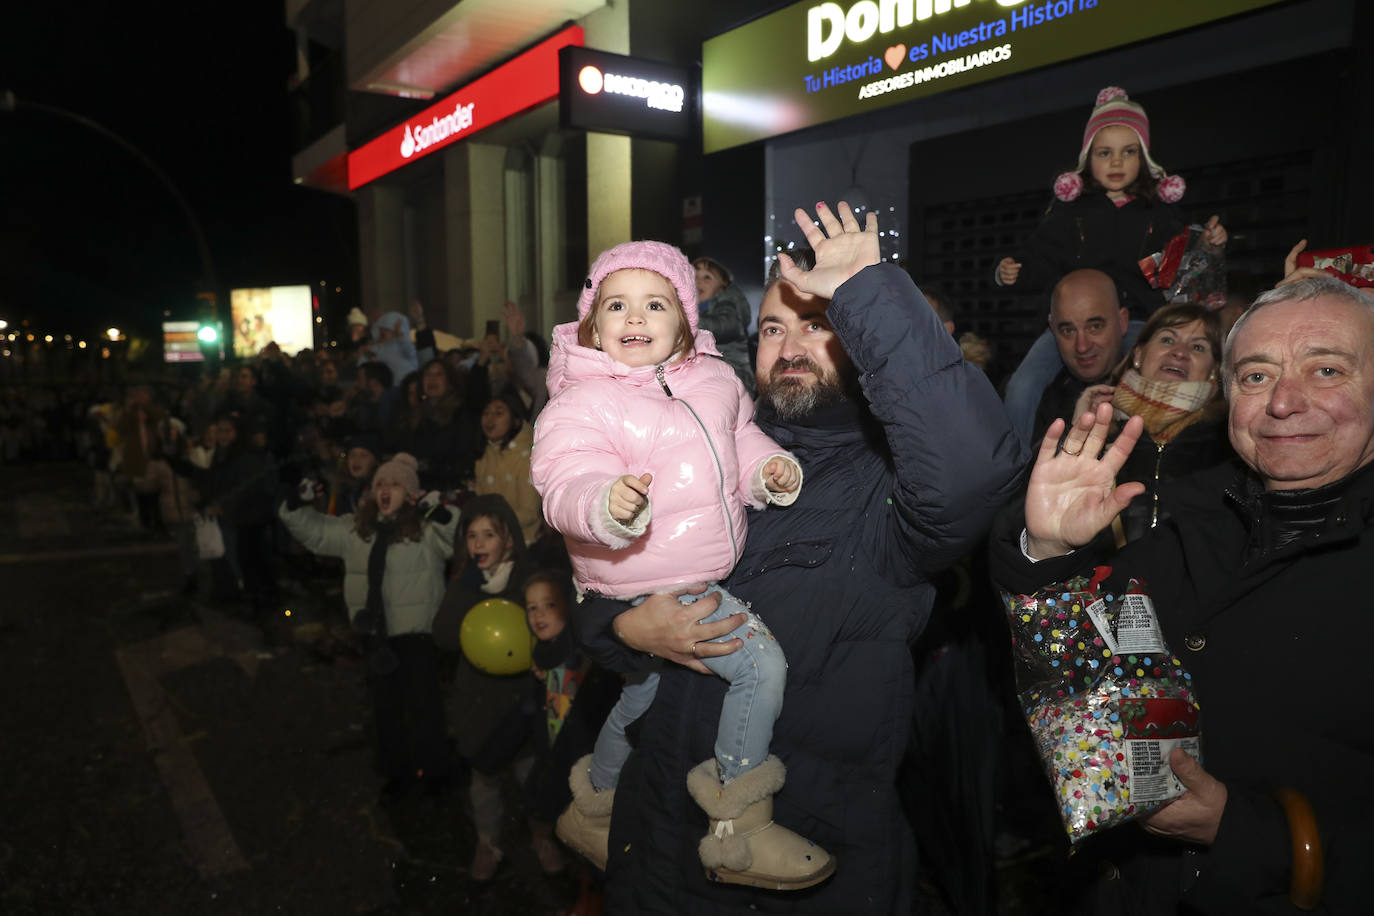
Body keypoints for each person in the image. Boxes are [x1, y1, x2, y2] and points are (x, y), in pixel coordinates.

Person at [571, 202, 1025, 913]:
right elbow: (602, 570)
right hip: (656, 853)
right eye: (774, 327)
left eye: (818, 326)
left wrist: (867, 291)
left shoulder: (887, 493)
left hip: (795, 873)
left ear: (862, 342)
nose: (789, 347)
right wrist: (624, 630)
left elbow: (974, 470)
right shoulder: (707, 449)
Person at [991, 275, 1374, 914]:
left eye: (1326, 369)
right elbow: (1080, 689)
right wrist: (1050, 553)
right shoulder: (1193, 518)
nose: (1282, 402)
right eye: (1255, 376)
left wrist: (1250, 835)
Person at [530, 240, 824, 889]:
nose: (634, 318)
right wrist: (604, 505)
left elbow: (740, 441)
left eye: (655, 303)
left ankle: (593, 806)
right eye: (616, 304)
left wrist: (768, 472)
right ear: (592, 323)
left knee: (639, 695)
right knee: (760, 666)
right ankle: (739, 828)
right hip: (638, 578)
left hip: (693, 571)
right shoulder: (582, 399)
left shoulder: (716, 381)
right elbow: (564, 479)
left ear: (686, 319)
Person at [998, 86, 1228, 445]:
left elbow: (1190, 267)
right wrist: (1011, 271)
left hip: (1139, 319)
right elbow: (1039, 254)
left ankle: (1150, 454)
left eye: (1128, 152)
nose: (1116, 162)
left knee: (1154, 380)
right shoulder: (1070, 212)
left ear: (1144, 158)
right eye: (1105, 153)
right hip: (1075, 324)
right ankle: (1013, 466)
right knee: (1022, 385)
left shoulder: (1161, 214)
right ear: (1088, 159)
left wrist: (1211, 245)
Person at [279, 452, 458, 801]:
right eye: (380, 484)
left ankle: (434, 770)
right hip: (376, 635)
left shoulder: (424, 527)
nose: (385, 490)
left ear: (409, 493)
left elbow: (457, 535)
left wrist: (438, 509)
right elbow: (314, 532)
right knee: (385, 707)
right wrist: (294, 503)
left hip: (416, 633)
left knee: (424, 705)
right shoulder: (355, 528)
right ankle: (397, 771)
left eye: (394, 484)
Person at [463, 569, 620, 884]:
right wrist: (488, 756)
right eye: (532, 607)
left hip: (590, 771)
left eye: (549, 605)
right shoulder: (542, 658)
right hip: (554, 759)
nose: (539, 615)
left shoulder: (587, 658)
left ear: (566, 606)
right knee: (545, 809)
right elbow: (528, 714)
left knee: (595, 848)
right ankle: (546, 845)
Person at [1068, 302, 1231, 545]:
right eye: (1167, 340)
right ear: (1139, 355)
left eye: (1198, 347)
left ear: (1214, 370)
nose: (1179, 352)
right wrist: (1078, 434)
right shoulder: (1098, 432)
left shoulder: (1229, 443)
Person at [1031, 269, 1130, 446]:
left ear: (1122, 322)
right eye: (1068, 331)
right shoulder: (1046, 398)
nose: (1082, 346)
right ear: (1053, 330)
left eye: (1095, 327)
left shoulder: (1154, 390)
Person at [473, 391, 541, 548]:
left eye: (498, 413)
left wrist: (489, 521)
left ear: (516, 421)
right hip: (490, 543)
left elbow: (529, 513)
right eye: (486, 413)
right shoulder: (485, 454)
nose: (490, 419)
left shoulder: (527, 457)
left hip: (524, 544)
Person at [693, 255, 756, 392]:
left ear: (722, 285)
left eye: (707, 277)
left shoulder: (728, 302)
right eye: (694, 276)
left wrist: (687, 322)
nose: (698, 281)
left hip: (734, 376)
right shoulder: (697, 310)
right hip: (708, 376)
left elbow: (725, 325)